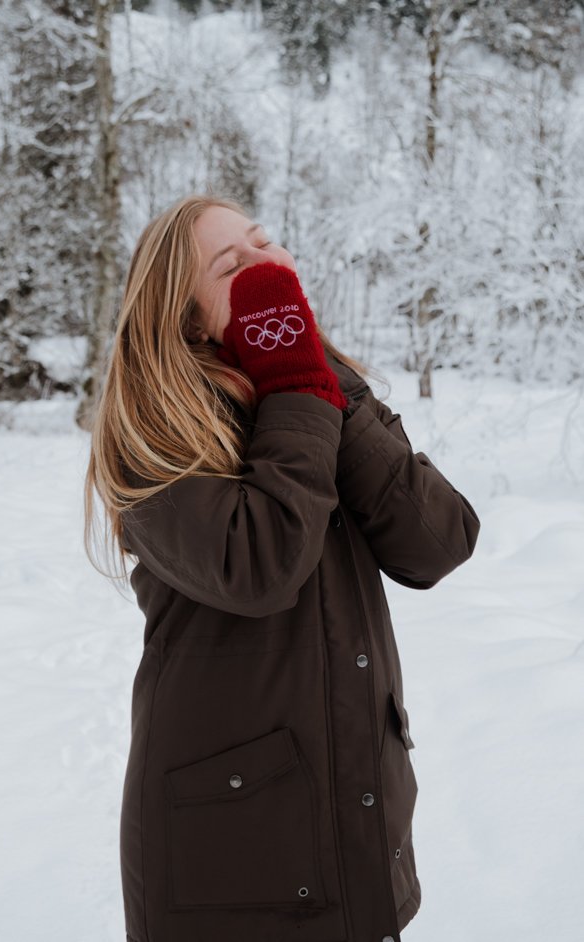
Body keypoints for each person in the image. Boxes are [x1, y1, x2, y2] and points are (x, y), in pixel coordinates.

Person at [84, 193, 481, 942]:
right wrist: (299, 389)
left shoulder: (318, 389)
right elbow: (262, 566)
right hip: (233, 862)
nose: (267, 262)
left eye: (268, 243)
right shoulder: (155, 432)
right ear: (190, 318)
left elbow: (438, 542)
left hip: (353, 819)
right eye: (232, 263)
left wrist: (321, 382)